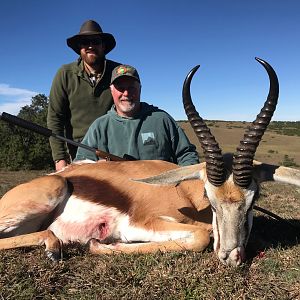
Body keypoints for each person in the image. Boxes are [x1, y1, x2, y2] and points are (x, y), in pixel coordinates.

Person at [75, 65, 199, 166]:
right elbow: (81, 164)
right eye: (120, 88)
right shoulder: (99, 126)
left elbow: (187, 155)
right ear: (111, 91)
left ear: (140, 89)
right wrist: (99, 168)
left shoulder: (162, 119)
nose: (126, 93)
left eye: (131, 88)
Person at [47, 20, 121, 171]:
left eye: (96, 41)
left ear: (103, 46)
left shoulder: (118, 72)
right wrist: (60, 159)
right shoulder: (65, 74)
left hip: (115, 149)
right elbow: (55, 118)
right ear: (79, 48)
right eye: (85, 42)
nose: (90, 46)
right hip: (79, 151)